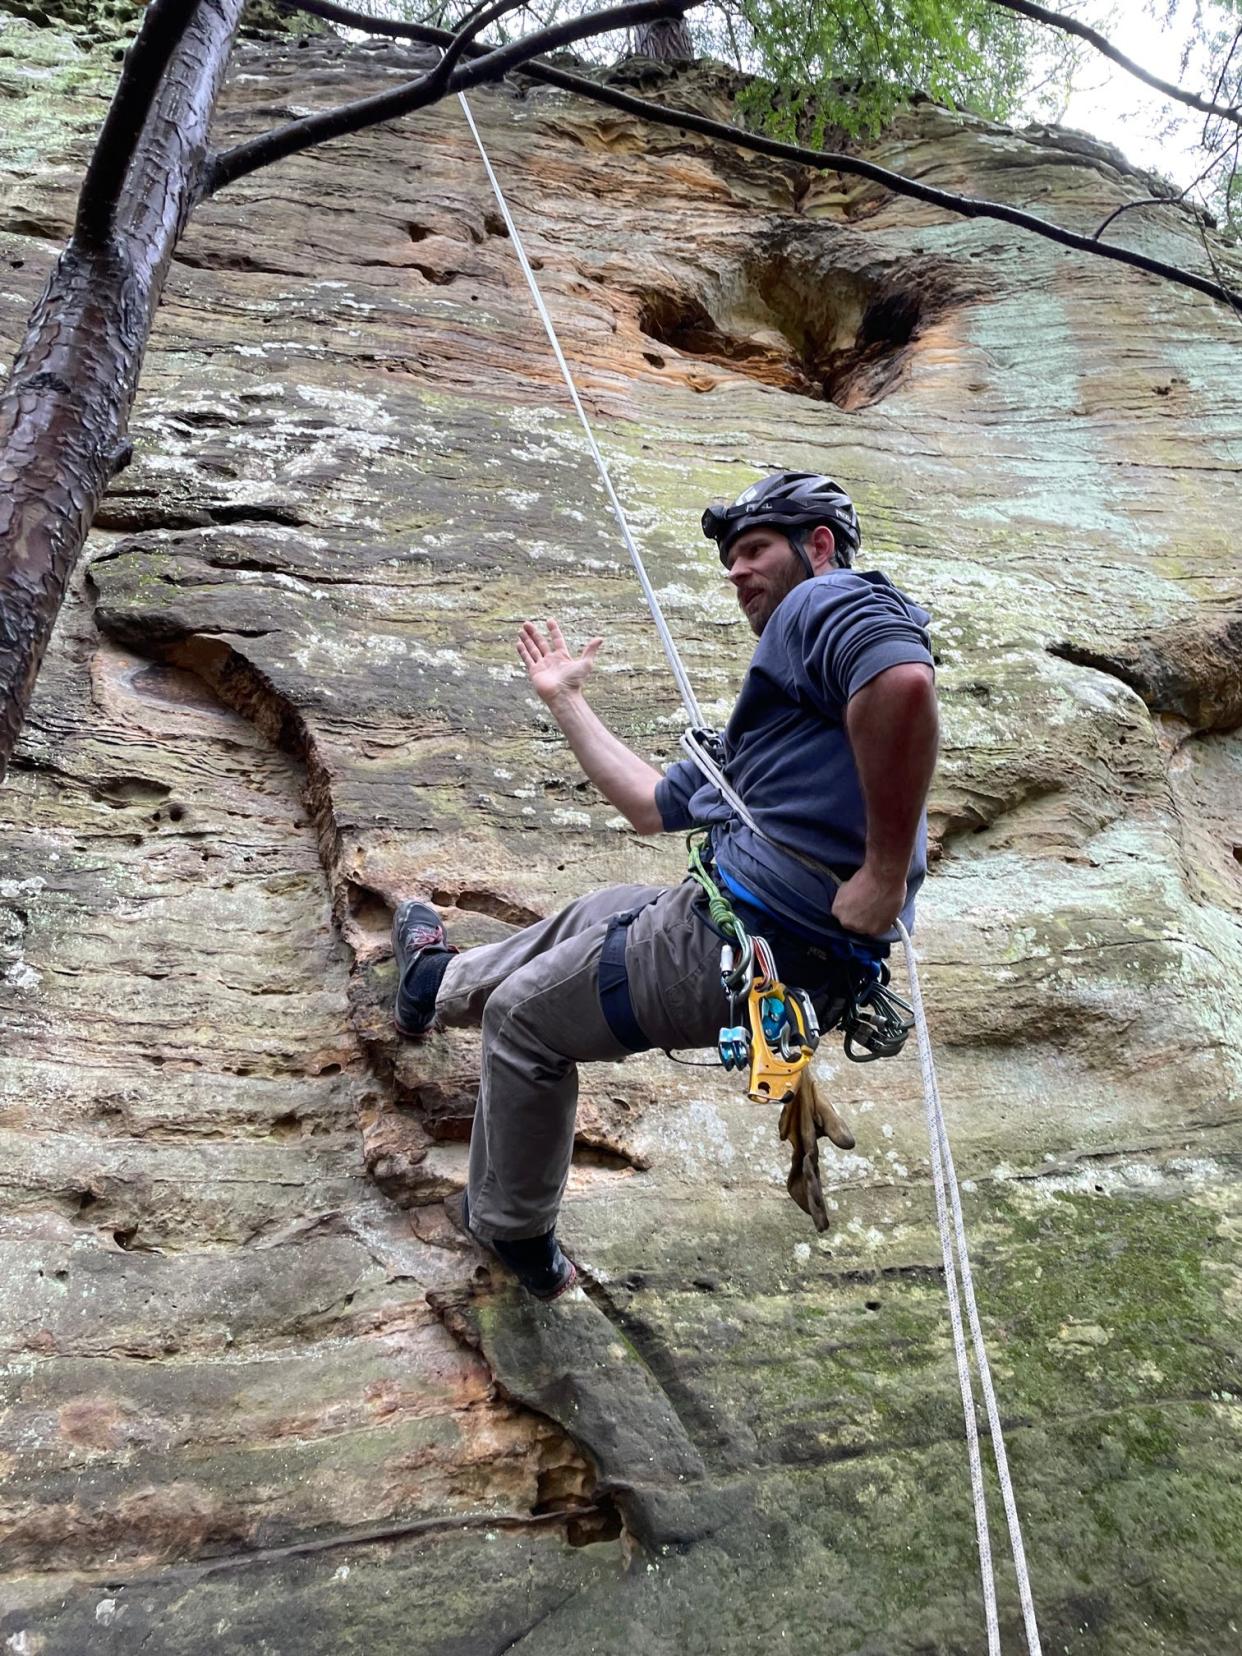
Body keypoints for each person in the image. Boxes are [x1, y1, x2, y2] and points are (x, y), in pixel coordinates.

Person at [392, 472, 939, 1300]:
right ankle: (434, 986)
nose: (736, 571)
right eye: (729, 559)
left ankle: (512, 1228)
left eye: (755, 549)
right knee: (601, 909)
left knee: (526, 1022)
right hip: (739, 928)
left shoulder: (827, 603)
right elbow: (651, 806)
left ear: (817, 546)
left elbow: (902, 684)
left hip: (745, 946)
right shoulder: (783, 722)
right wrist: (565, 700)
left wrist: (885, 874)